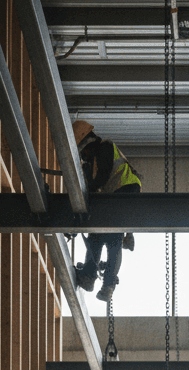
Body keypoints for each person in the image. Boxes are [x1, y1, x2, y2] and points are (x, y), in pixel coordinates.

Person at [71, 119, 141, 303]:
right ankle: (88, 276)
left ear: (87, 142)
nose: (82, 155)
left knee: (112, 238)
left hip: (125, 190)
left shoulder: (104, 148)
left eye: (82, 150)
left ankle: (107, 284)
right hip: (113, 196)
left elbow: (102, 175)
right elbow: (90, 186)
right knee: (95, 234)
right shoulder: (89, 162)